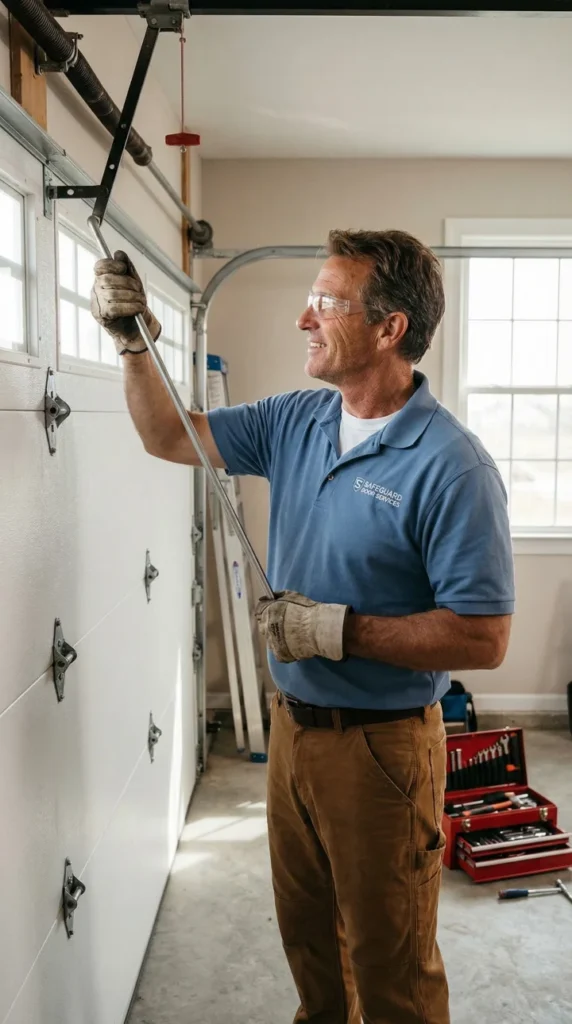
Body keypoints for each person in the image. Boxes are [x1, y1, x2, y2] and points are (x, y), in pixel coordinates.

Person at [91, 229, 514, 1024]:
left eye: (327, 301)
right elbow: (164, 435)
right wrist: (131, 344)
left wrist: (340, 631)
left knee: (394, 975)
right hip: (291, 735)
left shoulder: (452, 466)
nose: (303, 319)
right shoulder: (299, 419)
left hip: (382, 752)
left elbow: (484, 638)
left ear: (389, 328)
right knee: (314, 955)